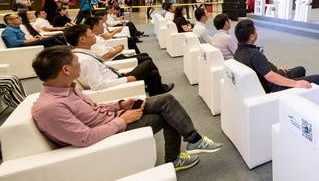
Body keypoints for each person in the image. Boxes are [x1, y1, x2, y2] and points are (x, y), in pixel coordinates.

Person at [31, 46, 223, 171]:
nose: (79, 65)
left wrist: (120, 104)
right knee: (166, 116)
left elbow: (94, 108)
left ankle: (194, 140)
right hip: (110, 130)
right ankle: (174, 158)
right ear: (65, 70)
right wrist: (123, 120)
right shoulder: (50, 108)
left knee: (166, 101)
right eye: (76, 62)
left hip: (114, 116)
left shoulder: (68, 88)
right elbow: (85, 138)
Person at [234, 19, 319, 106]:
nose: (257, 32)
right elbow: (271, 77)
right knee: (318, 79)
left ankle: (299, 104)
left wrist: (276, 68)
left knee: (301, 69)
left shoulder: (238, 52)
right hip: (275, 86)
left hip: (271, 78)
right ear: (252, 37)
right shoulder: (254, 54)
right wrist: (296, 83)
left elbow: (261, 67)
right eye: (255, 31)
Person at [65, 24, 173, 96]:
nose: (94, 36)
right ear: (82, 39)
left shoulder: (83, 53)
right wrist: (126, 79)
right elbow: (98, 86)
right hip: (118, 81)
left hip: (116, 76)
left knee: (153, 73)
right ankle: (159, 90)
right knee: (148, 63)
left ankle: (157, 92)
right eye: (91, 34)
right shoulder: (85, 60)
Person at [1, 13, 66, 48]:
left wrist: (32, 39)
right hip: (20, 47)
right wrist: (30, 40)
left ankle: (62, 50)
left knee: (58, 37)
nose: (20, 19)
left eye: (19, 17)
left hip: (24, 44)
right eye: (17, 18)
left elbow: (22, 39)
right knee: (51, 39)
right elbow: (14, 43)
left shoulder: (16, 28)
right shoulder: (9, 30)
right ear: (9, 21)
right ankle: (65, 50)